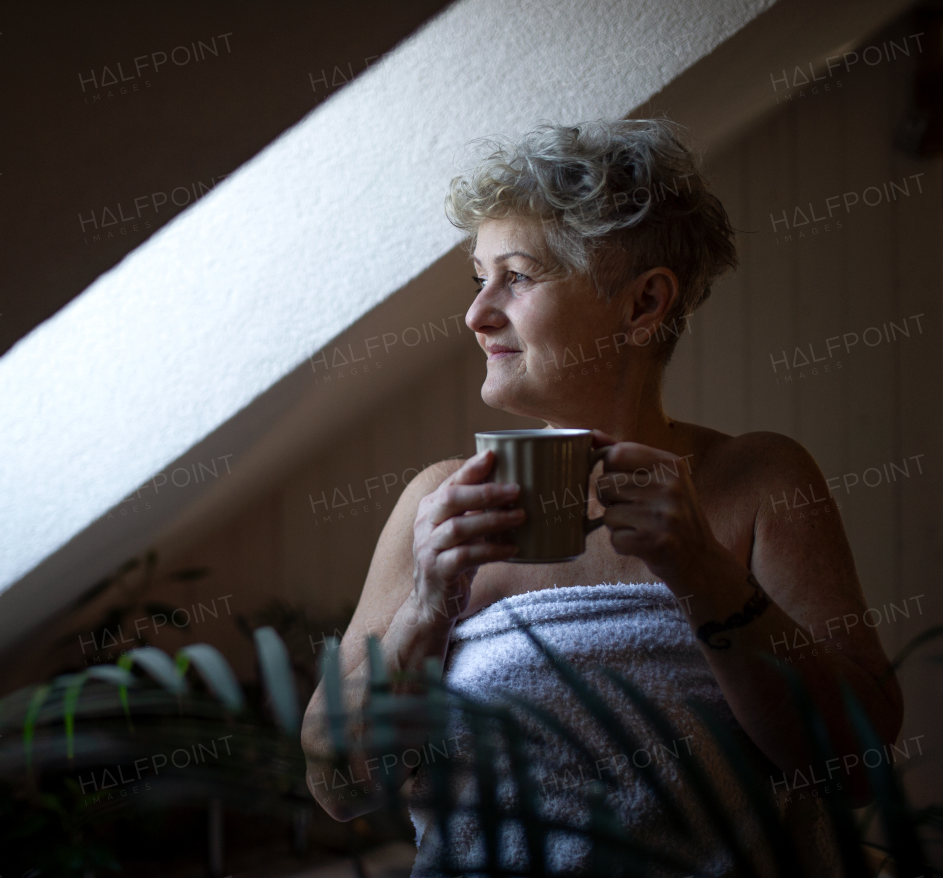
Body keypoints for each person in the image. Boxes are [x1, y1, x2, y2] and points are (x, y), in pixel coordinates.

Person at [298, 119, 903, 875]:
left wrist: (702, 572)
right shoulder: (437, 502)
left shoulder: (761, 481)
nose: (477, 313)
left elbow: (855, 767)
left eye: (516, 276)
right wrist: (427, 606)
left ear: (644, 303)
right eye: (478, 278)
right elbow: (338, 786)